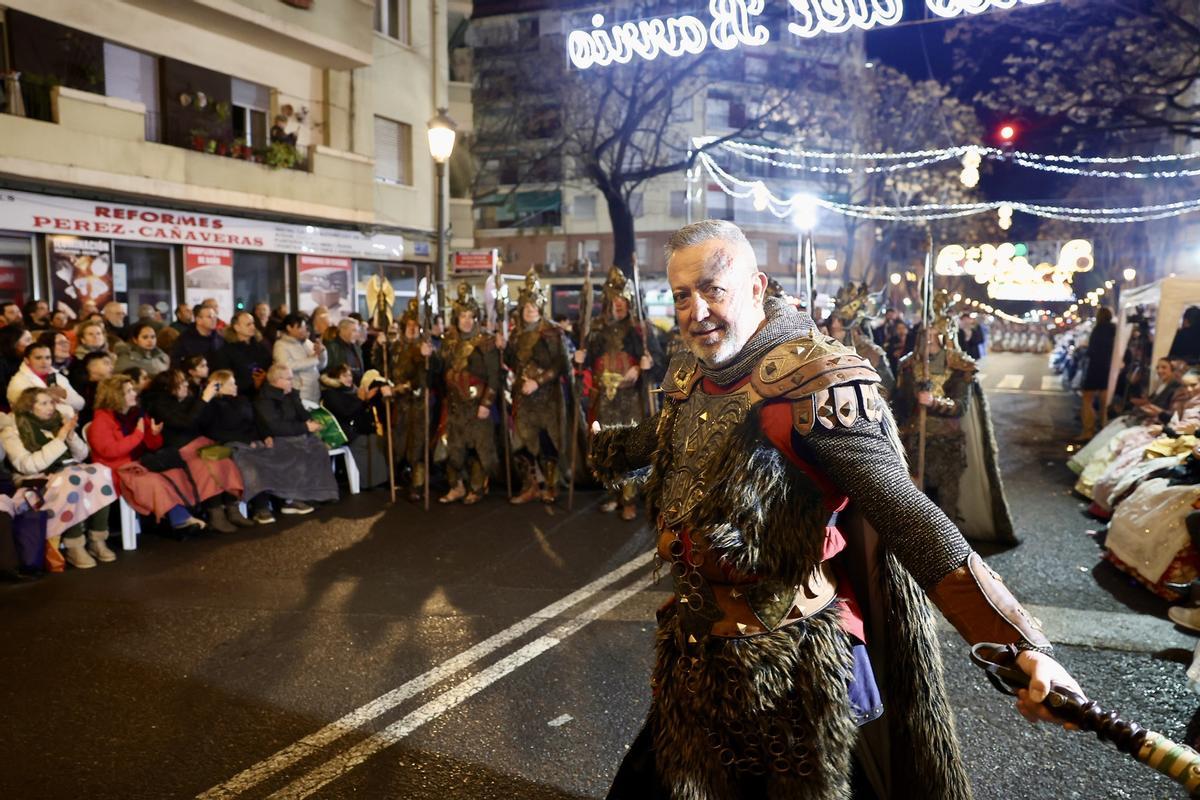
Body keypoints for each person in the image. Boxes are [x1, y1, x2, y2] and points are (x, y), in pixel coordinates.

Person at [592, 220, 1081, 800]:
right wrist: (612, 446)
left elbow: (907, 516)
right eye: (681, 295)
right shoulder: (692, 372)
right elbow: (680, 440)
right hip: (695, 650)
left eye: (712, 289)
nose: (695, 310)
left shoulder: (817, 384)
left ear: (756, 286)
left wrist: (1019, 644)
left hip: (791, 665)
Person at [894, 290, 1016, 544]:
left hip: (946, 442)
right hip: (914, 442)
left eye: (932, 332)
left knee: (947, 503)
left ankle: (947, 552)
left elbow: (960, 406)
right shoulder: (908, 364)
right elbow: (901, 404)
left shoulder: (960, 365)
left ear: (943, 332)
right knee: (915, 500)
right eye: (924, 332)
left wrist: (934, 402)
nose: (927, 337)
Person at [0, 387, 120, 569]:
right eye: (44, 403)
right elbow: (26, 465)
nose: (50, 407)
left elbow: (81, 455)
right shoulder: (13, 431)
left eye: (51, 402)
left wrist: (70, 437)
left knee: (100, 472)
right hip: (34, 480)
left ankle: (97, 539)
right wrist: (60, 438)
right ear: (29, 407)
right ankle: (75, 544)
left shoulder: (57, 422)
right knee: (72, 479)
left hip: (67, 471)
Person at [574, 267, 658, 520]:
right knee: (606, 443)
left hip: (630, 396)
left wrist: (643, 366)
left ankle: (630, 499)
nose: (618, 305)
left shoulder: (639, 329)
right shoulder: (596, 328)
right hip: (605, 397)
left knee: (629, 445)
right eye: (614, 301)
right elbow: (586, 361)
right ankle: (612, 495)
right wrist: (580, 359)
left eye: (623, 301)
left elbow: (658, 359)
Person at [86, 375, 207, 537]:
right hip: (117, 470)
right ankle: (180, 521)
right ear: (115, 395)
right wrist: (138, 434)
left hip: (139, 463)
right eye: (128, 391)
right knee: (154, 481)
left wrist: (153, 434)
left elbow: (153, 445)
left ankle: (180, 518)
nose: (134, 394)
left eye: (133, 390)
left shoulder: (137, 414)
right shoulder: (101, 421)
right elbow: (109, 451)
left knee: (173, 472)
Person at [503, 268, 570, 504]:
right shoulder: (516, 334)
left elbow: (560, 365)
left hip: (546, 398)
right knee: (521, 443)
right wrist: (505, 347)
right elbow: (511, 363)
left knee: (547, 442)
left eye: (534, 306)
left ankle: (551, 486)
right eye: (526, 306)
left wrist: (538, 381)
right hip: (523, 397)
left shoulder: (551, 331)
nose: (530, 309)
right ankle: (532, 485)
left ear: (539, 307)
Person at [435, 283, 501, 505]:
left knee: (478, 448)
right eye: (462, 315)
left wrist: (486, 404)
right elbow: (439, 370)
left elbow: (494, 376)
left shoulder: (486, 341)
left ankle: (477, 488)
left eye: (470, 316)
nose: (466, 320)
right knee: (453, 447)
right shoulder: (449, 342)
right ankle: (457, 486)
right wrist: (428, 357)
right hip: (454, 405)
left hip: (477, 404)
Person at [252, 364, 339, 513]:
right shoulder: (265, 400)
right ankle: (292, 499)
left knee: (318, 447)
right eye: (289, 379)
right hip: (279, 438)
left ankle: (317, 493)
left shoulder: (290, 394)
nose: (293, 382)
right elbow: (275, 426)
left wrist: (311, 422)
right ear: (277, 380)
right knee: (297, 449)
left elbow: (303, 416)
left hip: (296, 434)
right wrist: (305, 428)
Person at [388, 300, 438, 502]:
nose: (412, 328)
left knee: (418, 443)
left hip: (419, 401)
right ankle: (403, 476)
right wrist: (379, 346)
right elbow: (383, 366)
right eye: (409, 325)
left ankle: (417, 485)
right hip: (400, 403)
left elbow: (432, 372)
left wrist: (428, 357)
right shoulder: (396, 347)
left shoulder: (425, 347)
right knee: (400, 441)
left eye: (415, 325)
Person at [319, 364, 392, 489]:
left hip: (356, 428)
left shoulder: (351, 391)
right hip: (342, 431)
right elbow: (345, 413)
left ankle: (381, 480)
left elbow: (358, 411)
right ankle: (369, 482)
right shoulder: (331, 394)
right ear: (335, 378)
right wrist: (361, 400)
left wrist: (366, 400)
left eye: (350, 375)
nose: (349, 378)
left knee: (376, 439)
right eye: (344, 376)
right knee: (364, 442)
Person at [827, 284, 895, 397]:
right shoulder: (827, 347)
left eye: (840, 320)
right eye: (832, 320)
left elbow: (886, 390)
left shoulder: (872, 353)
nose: (834, 325)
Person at [6, 339, 85, 420]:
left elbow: (81, 404)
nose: (44, 362)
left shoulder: (58, 376)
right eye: (38, 358)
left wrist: (65, 395)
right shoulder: (18, 382)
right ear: (27, 360)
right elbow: (29, 414)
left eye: (48, 358)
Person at [211, 310, 272, 397]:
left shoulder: (260, 346)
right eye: (248, 324)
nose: (253, 327)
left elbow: (269, 364)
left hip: (265, 392)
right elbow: (224, 377)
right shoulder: (226, 350)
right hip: (240, 395)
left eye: (253, 323)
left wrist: (265, 376)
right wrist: (252, 383)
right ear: (237, 327)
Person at [1079, 307, 1117, 440]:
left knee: (1087, 399)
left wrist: (1084, 350)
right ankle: (1103, 428)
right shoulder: (1114, 330)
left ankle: (1088, 430)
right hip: (1109, 369)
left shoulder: (1098, 330)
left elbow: (1092, 351)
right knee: (1104, 400)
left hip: (1095, 368)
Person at [273, 313, 326, 405]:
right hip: (298, 393)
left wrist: (322, 353)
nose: (304, 330)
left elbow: (320, 366)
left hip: (314, 391)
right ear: (289, 328)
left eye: (305, 327)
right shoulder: (281, 345)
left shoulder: (307, 342)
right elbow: (285, 366)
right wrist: (313, 359)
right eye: (300, 327)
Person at [67, 319, 109, 392]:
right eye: (90, 334)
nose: (95, 337)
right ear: (83, 339)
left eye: (98, 333)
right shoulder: (78, 361)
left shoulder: (113, 356)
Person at [74, 352, 114, 426]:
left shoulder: (110, 388)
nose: (111, 367)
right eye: (106, 363)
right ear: (91, 366)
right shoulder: (80, 388)